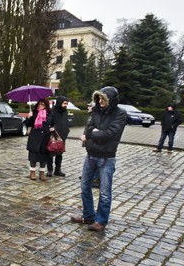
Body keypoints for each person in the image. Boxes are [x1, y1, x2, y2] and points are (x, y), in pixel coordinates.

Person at [71, 86, 127, 232]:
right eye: (99, 98)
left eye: (103, 98)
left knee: (104, 192)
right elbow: (89, 129)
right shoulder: (96, 111)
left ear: (111, 100)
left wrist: (93, 134)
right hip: (90, 155)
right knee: (84, 187)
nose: (100, 101)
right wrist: (95, 133)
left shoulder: (120, 114)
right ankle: (88, 215)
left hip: (107, 158)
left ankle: (101, 220)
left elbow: (110, 134)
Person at [25, 99, 50, 181]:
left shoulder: (49, 113)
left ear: (46, 105)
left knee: (44, 157)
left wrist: (53, 127)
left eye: (43, 104)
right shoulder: (34, 112)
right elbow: (28, 124)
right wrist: (29, 117)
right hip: (35, 137)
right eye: (39, 104)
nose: (41, 105)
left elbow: (54, 123)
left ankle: (42, 174)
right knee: (33, 156)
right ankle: (32, 173)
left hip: (45, 138)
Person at [46, 96, 71, 177]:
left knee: (59, 154)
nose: (66, 105)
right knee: (50, 153)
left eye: (67, 103)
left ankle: (58, 170)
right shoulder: (52, 111)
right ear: (60, 103)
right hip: (53, 136)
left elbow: (66, 122)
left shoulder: (65, 112)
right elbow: (49, 122)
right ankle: (50, 170)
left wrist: (66, 131)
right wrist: (51, 128)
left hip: (62, 136)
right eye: (64, 103)